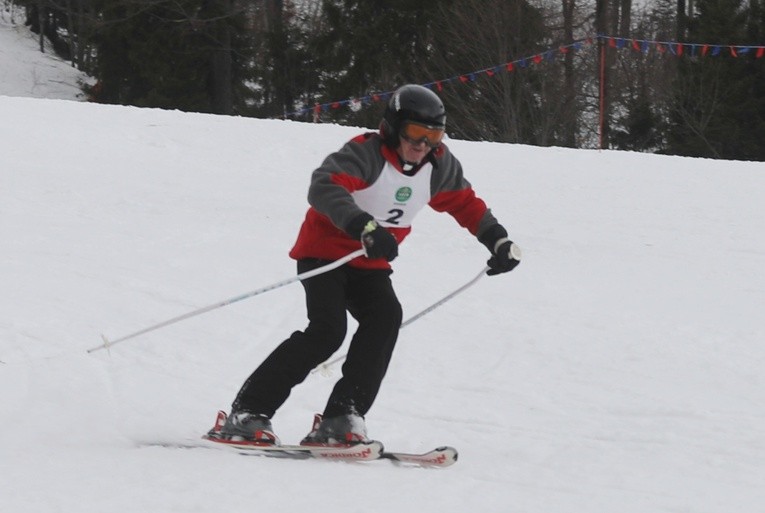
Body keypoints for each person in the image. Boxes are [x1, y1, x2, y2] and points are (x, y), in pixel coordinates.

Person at [215, 84, 521, 446]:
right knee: (328, 331)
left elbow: (465, 203)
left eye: (433, 136)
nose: (422, 145)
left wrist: (497, 239)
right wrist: (363, 226)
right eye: (415, 134)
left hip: (369, 263)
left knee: (385, 318)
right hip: (325, 252)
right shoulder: (366, 154)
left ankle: (342, 415)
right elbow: (324, 187)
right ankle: (248, 412)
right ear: (392, 128)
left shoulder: (437, 165)